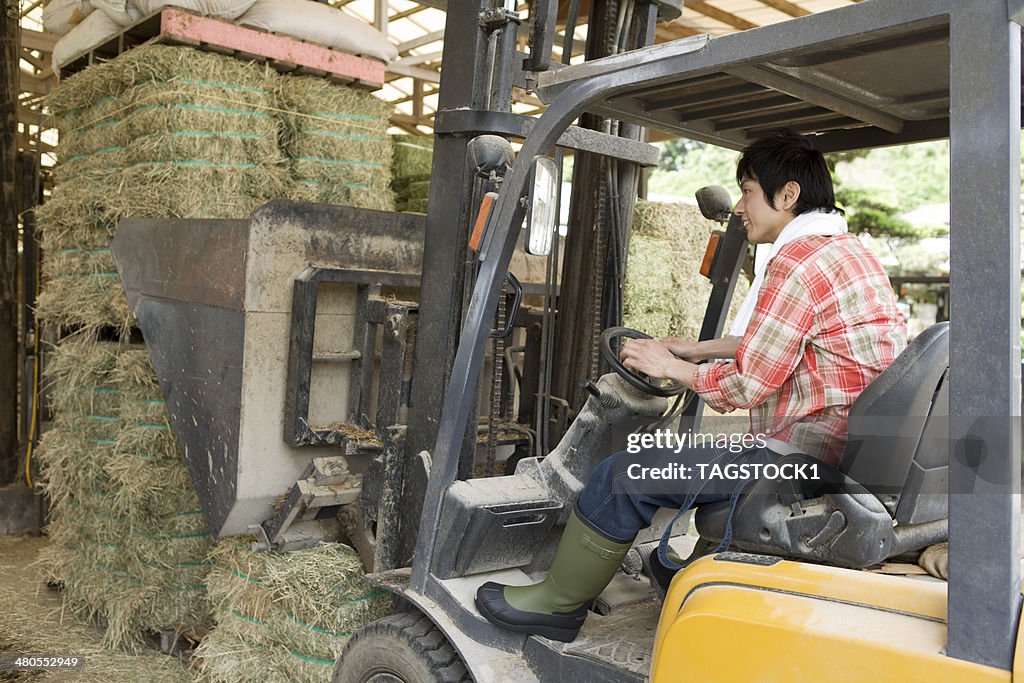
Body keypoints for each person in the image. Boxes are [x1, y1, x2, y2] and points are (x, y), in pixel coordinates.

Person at [475, 129, 908, 643]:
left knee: (625, 471)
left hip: (798, 458)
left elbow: (746, 387)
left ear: (787, 195)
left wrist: (671, 366)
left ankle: (556, 606)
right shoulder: (847, 253)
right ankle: (675, 580)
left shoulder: (798, 263)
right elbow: (791, 340)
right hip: (840, 452)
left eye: (747, 191)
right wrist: (698, 350)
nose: (742, 207)